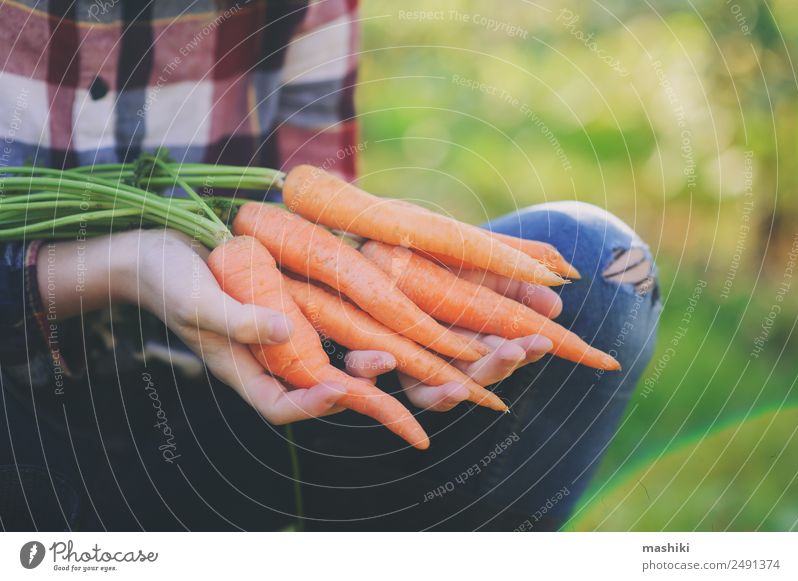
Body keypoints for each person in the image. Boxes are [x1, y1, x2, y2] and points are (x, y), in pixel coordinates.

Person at [0, 0, 660, 531]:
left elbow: (317, 221)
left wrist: (389, 303)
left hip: (234, 395)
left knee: (601, 269)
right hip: (22, 420)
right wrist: (114, 269)